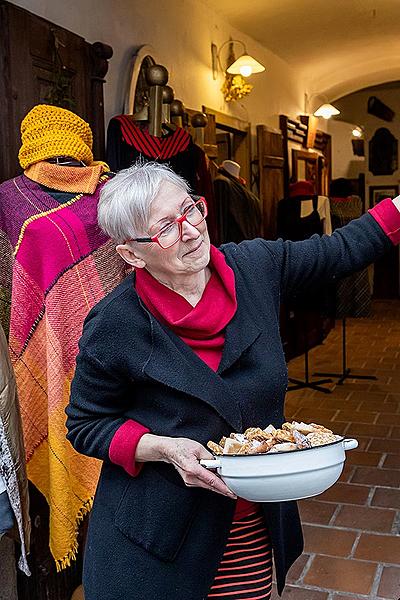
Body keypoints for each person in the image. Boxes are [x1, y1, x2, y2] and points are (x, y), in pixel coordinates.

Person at [66, 161, 400, 600]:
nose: (190, 230)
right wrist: (162, 448)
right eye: (166, 227)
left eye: (190, 209)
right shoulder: (115, 323)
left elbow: (340, 248)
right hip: (157, 539)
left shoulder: (255, 267)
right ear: (131, 253)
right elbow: (86, 423)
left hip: (247, 527)